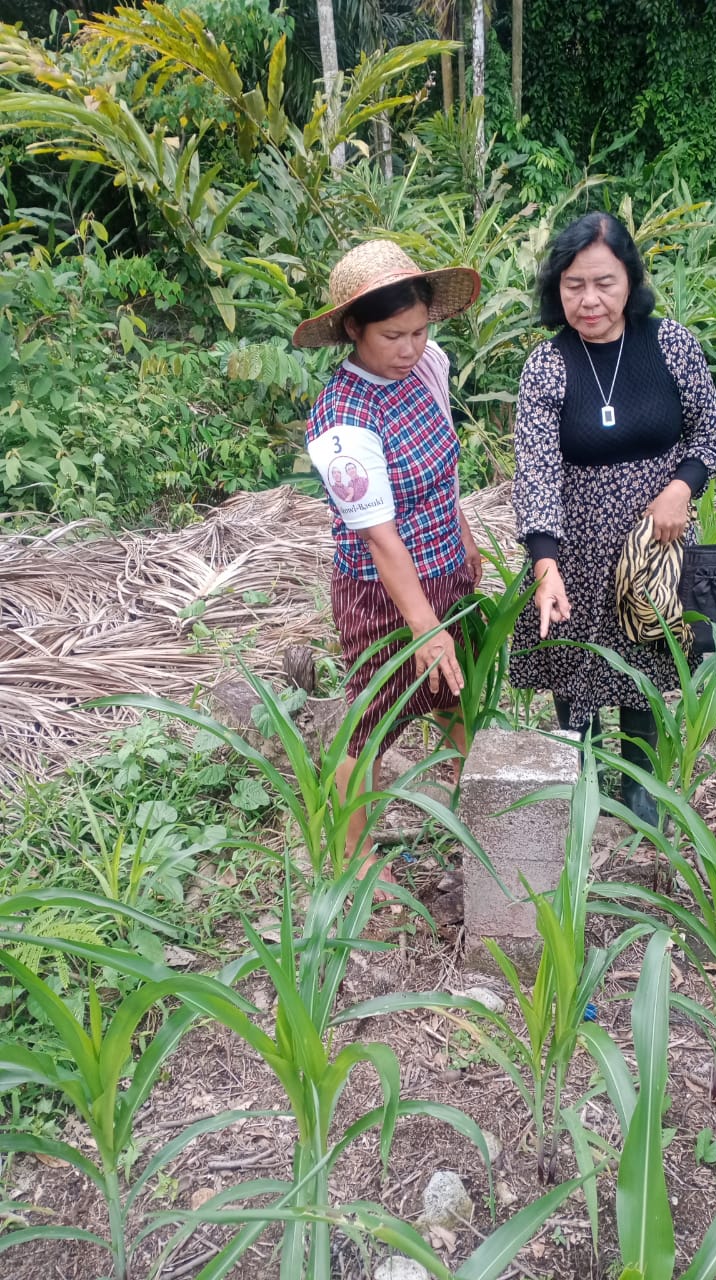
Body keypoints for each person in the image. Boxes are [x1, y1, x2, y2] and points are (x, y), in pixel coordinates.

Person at [510, 211, 716, 823]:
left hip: (656, 541)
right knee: (571, 657)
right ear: (557, 288)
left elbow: (709, 434)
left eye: (604, 282)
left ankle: (639, 785)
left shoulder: (671, 344)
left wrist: (682, 488)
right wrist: (545, 561)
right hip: (573, 540)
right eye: (574, 285)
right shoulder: (547, 365)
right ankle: (580, 777)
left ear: (630, 279)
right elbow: (537, 469)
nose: (589, 299)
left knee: (647, 655)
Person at [293, 239, 483, 893]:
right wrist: (424, 626)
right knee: (371, 722)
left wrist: (462, 538)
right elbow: (380, 540)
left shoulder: (429, 365)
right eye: (392, 335)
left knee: (458, 689)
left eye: (420, 330)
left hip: (445, 568)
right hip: (384, 594)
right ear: (353, 329)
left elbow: (445, 469)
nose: (410, 348)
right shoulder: (342, 425)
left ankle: (475, 797)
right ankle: (352, 860)